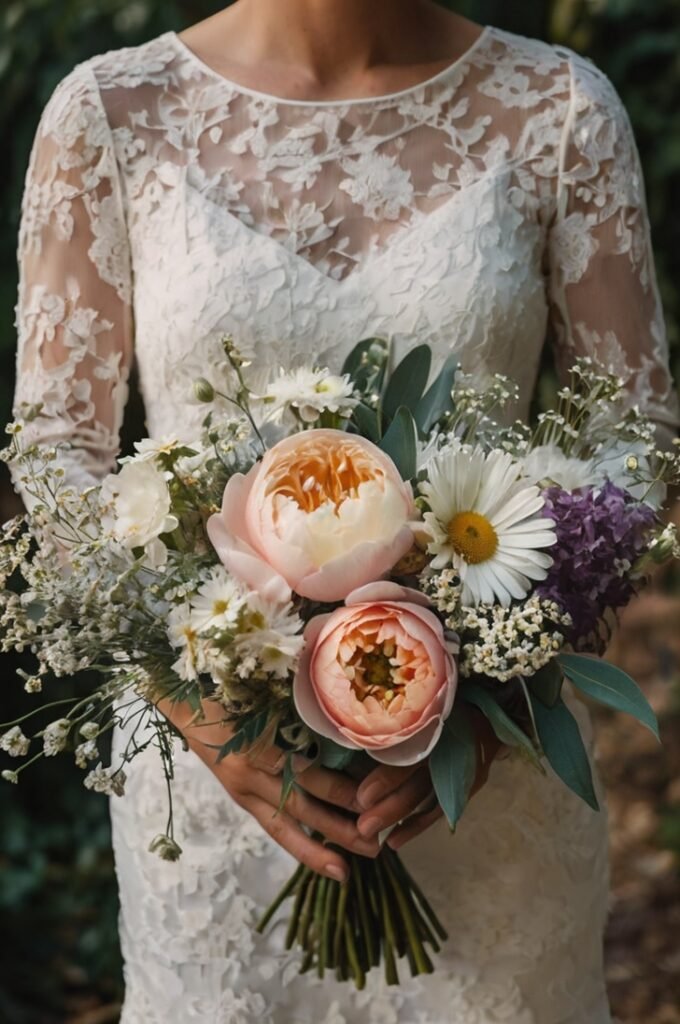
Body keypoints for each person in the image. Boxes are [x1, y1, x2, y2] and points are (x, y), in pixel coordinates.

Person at [13, 1, 679, 1021]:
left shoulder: (556, 111)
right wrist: (203, 709)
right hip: (220, 792)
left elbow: (634, 437)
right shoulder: (109, 112)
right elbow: (57, 448)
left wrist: (486, 693)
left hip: (485, 789)